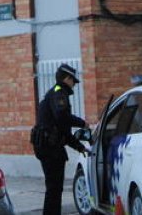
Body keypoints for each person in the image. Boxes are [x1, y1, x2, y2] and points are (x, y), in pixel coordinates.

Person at [32, 63, 88, 215]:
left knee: (54, 188)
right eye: (73, 81)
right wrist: (82, 123)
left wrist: (80, 147)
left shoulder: (55, 93)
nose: (74, 84)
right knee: (54, 188)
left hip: (49, 147)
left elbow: (63, 130)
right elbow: (62, 117)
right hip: (50, 149)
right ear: (67, 79)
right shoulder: (59, 93)